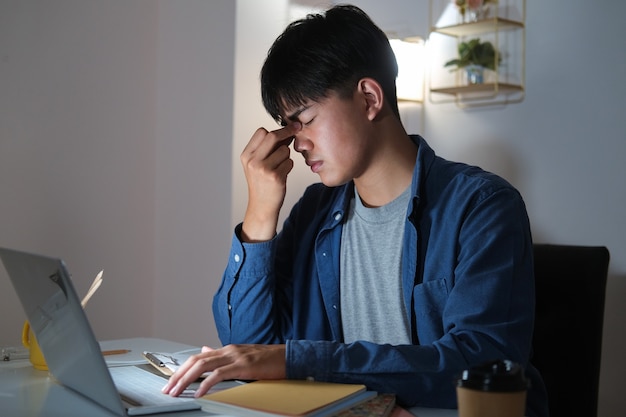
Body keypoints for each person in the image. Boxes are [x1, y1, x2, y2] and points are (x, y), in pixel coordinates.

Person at [162, 5, 548, 416]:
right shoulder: (315, 211)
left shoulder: (482, 207)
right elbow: (247, 347)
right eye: (287, 127)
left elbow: (482, 363)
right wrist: (259, 213)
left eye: (304, 120)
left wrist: (299, 360)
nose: (297, 143)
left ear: (368, 97)